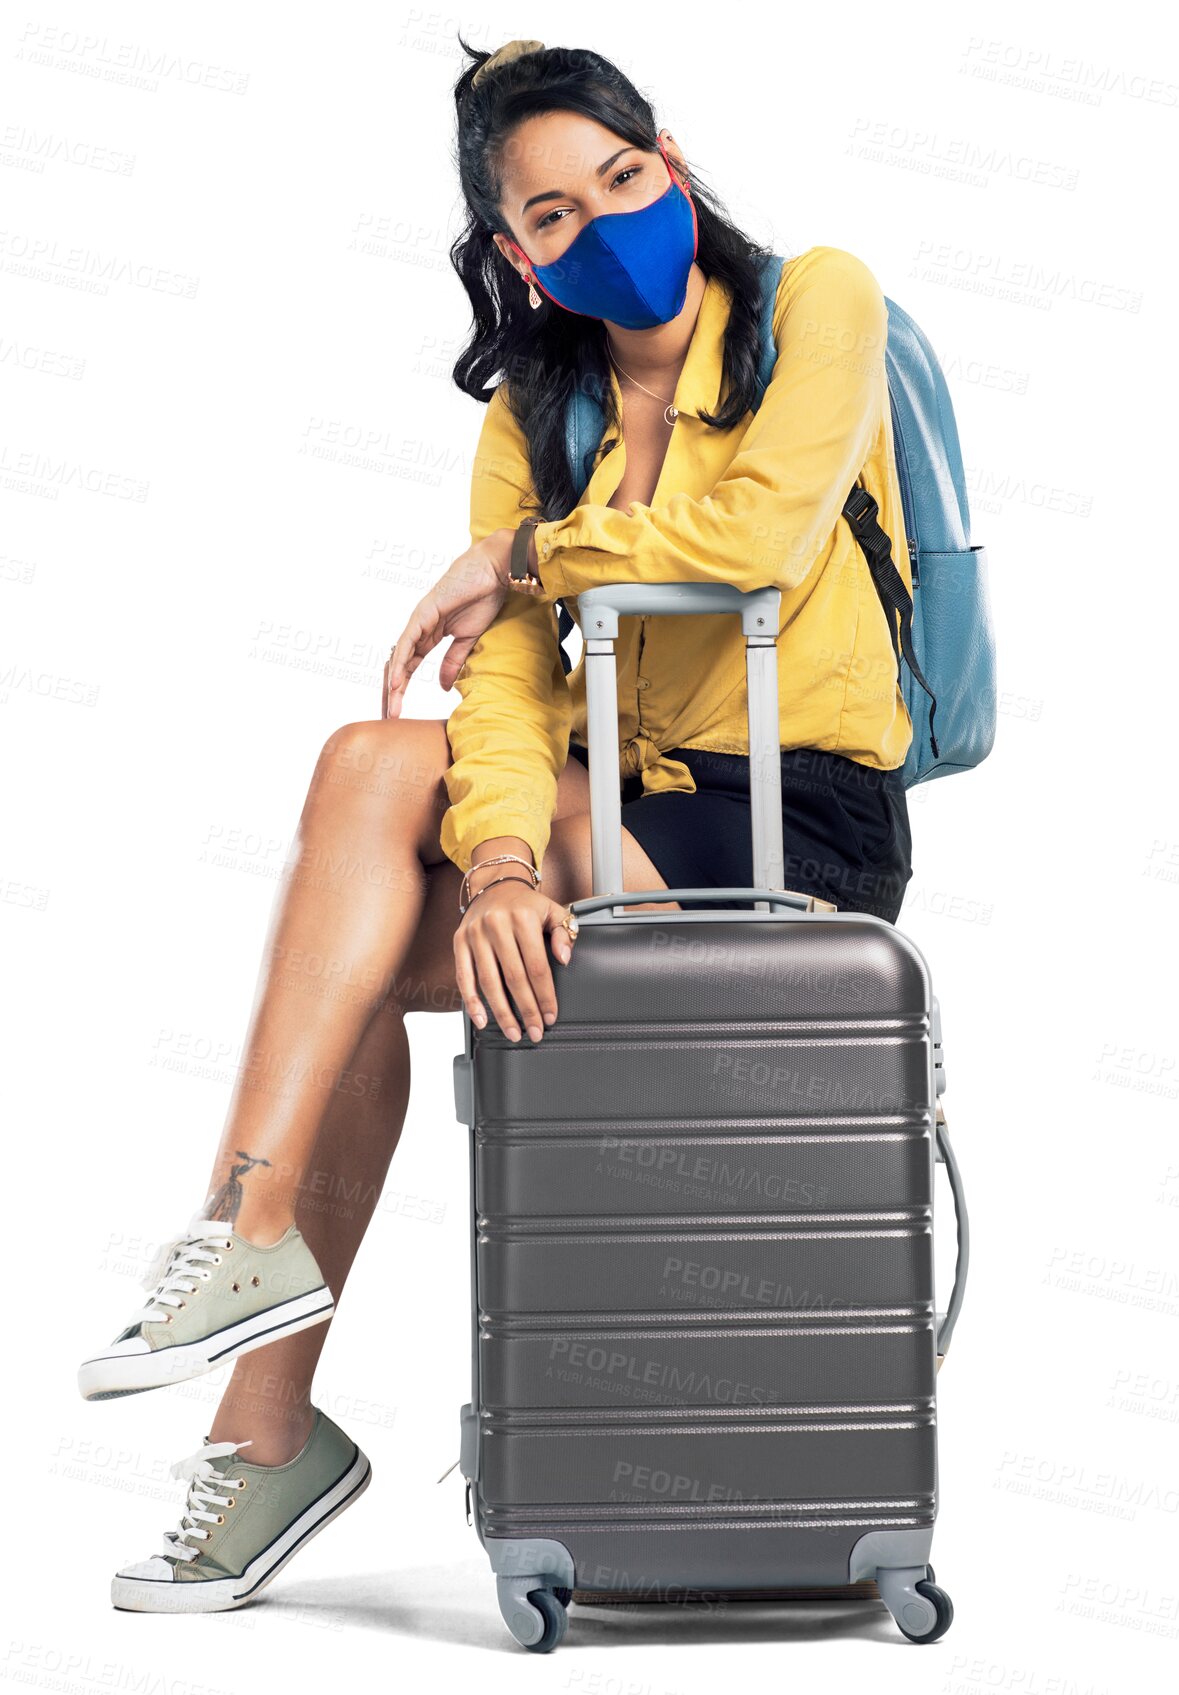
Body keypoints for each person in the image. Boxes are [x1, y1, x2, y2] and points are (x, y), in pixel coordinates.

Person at [78, 36, 915, 1613]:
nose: (603, 225)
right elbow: (512, 692)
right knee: (371, 784)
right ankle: (259, 1331)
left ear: (671, 154)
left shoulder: (821, 302)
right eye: (549, 215)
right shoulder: (543, 401)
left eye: (621, 178)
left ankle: (256, 1352)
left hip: (800, 821)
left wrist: (526, 552)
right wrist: (512, 865)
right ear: (509, 252)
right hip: (618, 805)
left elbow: (751, 545)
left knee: (374, 845)